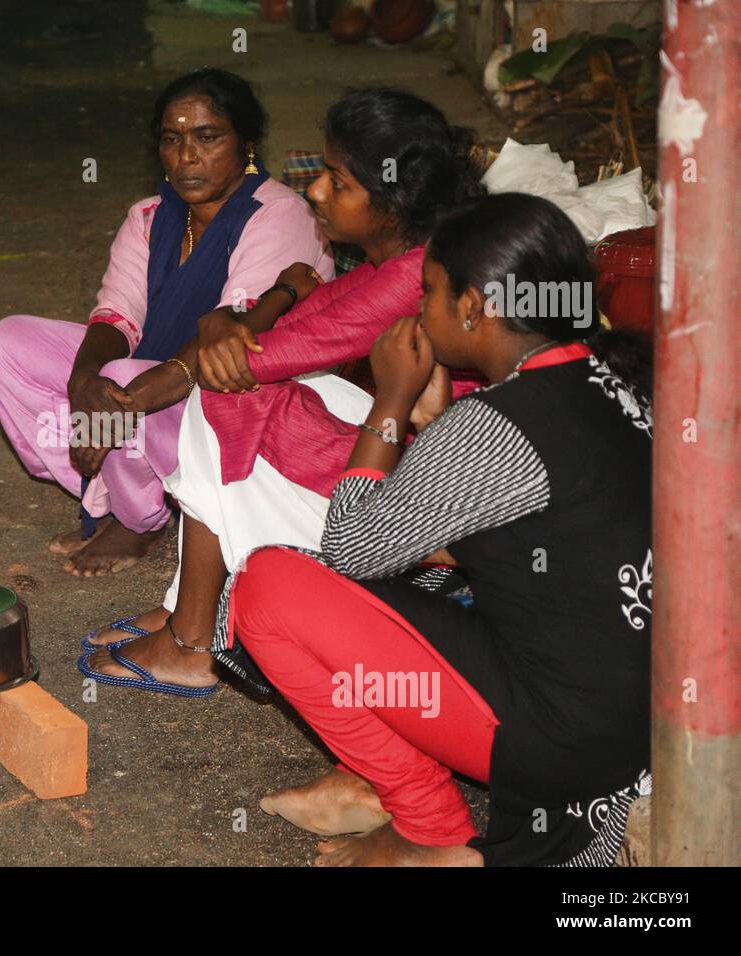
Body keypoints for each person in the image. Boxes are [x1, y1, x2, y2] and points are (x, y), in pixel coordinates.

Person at [229, 192, 653, 866]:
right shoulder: (613, 381)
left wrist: (391, 401)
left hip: (564, 739)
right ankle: (382, 788)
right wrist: (431, 426)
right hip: (636, 726)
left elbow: (351, 549)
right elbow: (509, 529)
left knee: (267, 585)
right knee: (426, 580)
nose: (416, 311)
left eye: (428, 293)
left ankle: (430, 829)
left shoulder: (493, 423)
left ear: (475, 306)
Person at [80, 89, 482, 696]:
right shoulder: (389, 261)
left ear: (392, 202)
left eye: (336, 180)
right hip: (415, 454)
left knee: (227, 396)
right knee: (232, 393)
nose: (315, 190)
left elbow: (255, 351)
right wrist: (275, 299)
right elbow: (270, 332)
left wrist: (250, 314)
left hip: (441, 503)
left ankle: (193, 639)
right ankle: (190, 609)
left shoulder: (408, 278)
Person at [0, 68, 332, 577]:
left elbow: (234, 330)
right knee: (11, 341)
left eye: (208, 138)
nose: (186, 157)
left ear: (247, 143)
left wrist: (107, 413)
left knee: (123, 379)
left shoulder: (278, 215)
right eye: (172, 140)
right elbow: (116, 315)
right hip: (154, 389)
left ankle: (139, 518)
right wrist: (83, 384)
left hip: (240, 400)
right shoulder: (149, 215)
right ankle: (117, 490)